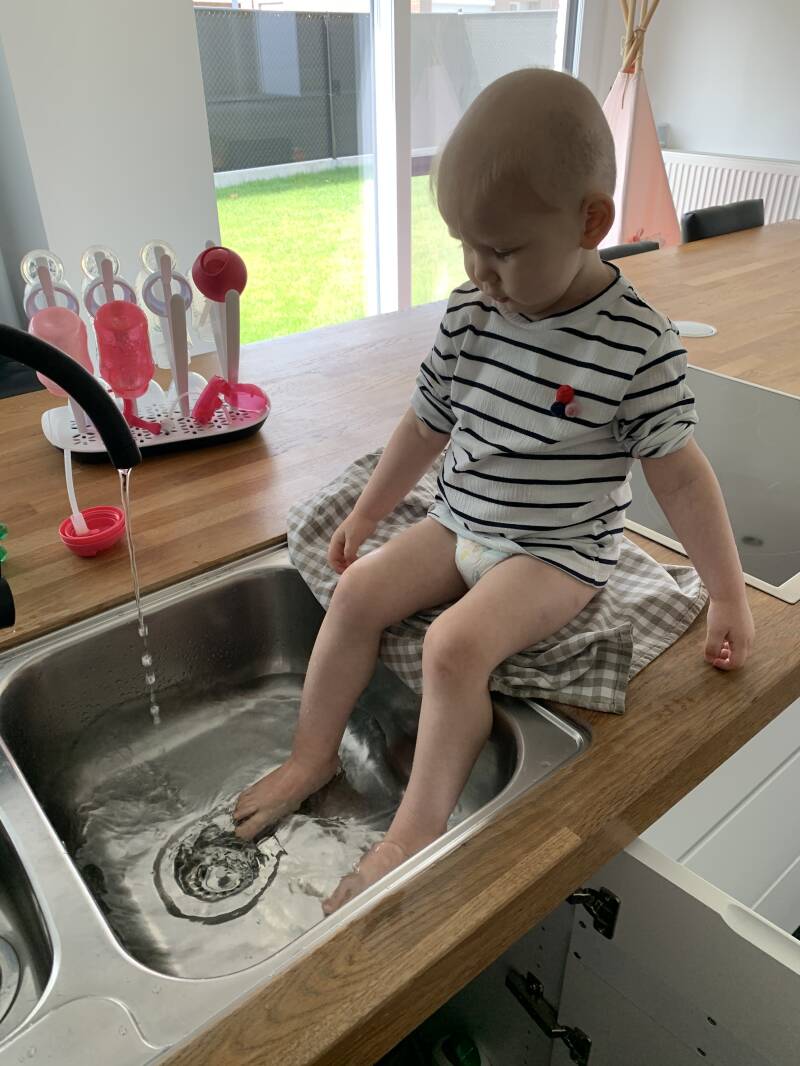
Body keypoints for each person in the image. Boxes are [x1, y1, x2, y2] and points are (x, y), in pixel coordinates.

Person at [233, 68, 754, 913]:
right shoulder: (470, 314)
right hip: (460, 519)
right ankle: (309, 757)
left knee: (453, 647)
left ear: (590, 222)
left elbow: (682, 477)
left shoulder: (637, 346)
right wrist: (368, 511)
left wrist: (727, 593)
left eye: (503, 250)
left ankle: (415, 829)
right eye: (465, 246)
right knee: (357, 592)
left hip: (558, 553)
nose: (480, 271)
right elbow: (423, 425)